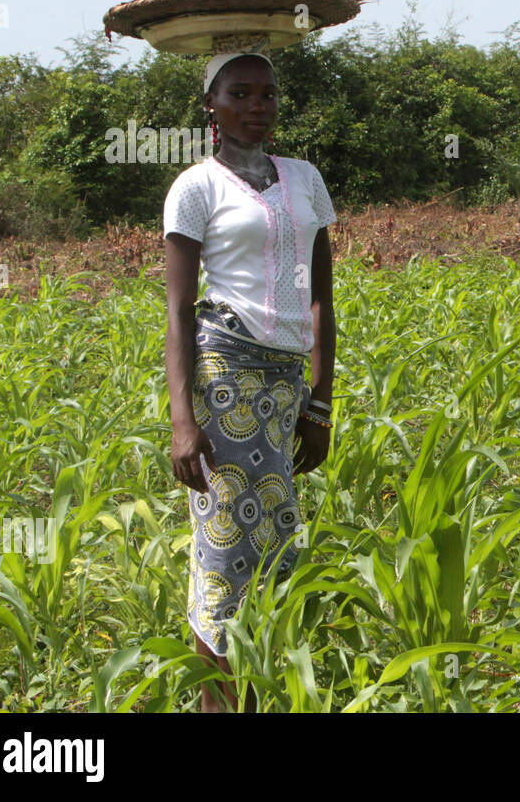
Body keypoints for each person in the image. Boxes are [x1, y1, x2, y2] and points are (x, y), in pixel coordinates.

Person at [162, 50, 337, 712]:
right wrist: (184, 420)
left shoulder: (305, 180)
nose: (257, 106)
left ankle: (261, 689)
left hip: (287, 382)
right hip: (225, 376)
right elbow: (179, 310)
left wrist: (320, 403)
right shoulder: (197, 187)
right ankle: (219, 702)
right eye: (241, 93)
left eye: (267, 94)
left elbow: (321, 299)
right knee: (227, 543)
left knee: (277, 541)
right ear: (212, 105)